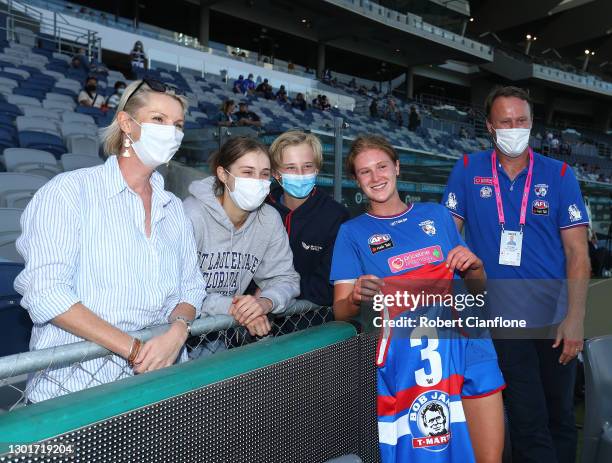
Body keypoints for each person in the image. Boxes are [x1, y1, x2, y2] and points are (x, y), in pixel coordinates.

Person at [14, 79, 206, 403]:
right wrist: (136, 350)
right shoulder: (69, 192)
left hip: (161, 384)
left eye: (178, 125)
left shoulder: (173, 208)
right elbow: (46, 292)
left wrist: (178, 331)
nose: (171, 132)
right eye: (158, 119)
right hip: (75, 392)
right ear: (126, 123)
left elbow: (192, 288)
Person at [330, 134, 505, 463]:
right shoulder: (352, 233)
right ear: (356, 179)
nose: (376, 177)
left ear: (396, 167)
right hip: (416, 361)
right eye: (365, 171)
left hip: (470, 344)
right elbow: (341, 311)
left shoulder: (437, 215)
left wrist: (475, 266)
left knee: (488, 458)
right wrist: (356, 297)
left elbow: (477, 291)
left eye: (382, 166)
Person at [442, 86, 590, 463]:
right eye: (505, 121)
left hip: (555, 317)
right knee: (528, 418)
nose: (514, 128)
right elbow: (447, 240)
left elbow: (577, 252)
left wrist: (575, 319)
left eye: (521, 121)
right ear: (490, 126)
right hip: (503, 316)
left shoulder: (559, 174)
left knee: (561, 417)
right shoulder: (467, 169)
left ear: (532, 124)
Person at [182, 136, 300, 339]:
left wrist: (264, 303)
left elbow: (285, 278)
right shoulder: (191, 215)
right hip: (179, 333)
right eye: (247, 172)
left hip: (220, 335)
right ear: (223, 174)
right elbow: (175, 289)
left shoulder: (269, 219)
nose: (257, 181)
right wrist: (237, 308)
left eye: (264, 174)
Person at [267, 130, 349, 306]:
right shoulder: (261, 208)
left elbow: (328, 288)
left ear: (317, 169)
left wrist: (273, 295)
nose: (300, 173)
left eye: (307, 166)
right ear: (276, 173)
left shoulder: (336, 216)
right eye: (290, 167)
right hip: (254, 321)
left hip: (314, 324)